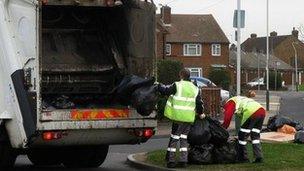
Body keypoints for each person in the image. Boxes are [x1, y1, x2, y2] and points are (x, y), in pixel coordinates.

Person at [157, 68, 205, 168]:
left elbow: (166, 91)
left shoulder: (177, 85)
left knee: (174, 138)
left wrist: (158, 85)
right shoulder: (195, 88)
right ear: (189, 76)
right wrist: (201, 113)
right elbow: (199, 103)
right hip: (188, 118)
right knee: (184, 138)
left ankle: (171, 161)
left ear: (181, 75)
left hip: (178, 117)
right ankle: (183, 161)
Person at [221, 92, 266, 163]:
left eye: (223, 111)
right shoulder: (239, 99)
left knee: (242, 136)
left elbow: (227, 118)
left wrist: (222, 129)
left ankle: (243, 158)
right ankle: (258, 157)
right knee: (255, 136)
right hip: (261, 111)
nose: (223, 112)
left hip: (251, 112)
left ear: (223, 106)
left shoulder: (229, 103)